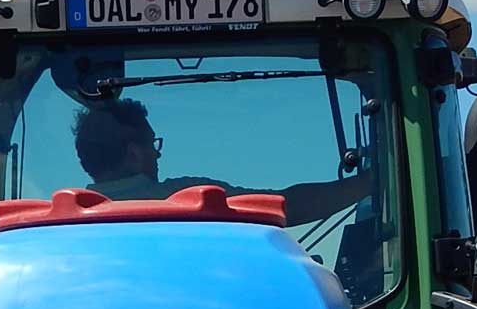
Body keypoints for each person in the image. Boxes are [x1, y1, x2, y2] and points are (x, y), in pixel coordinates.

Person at [71, 96, 370, 224]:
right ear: (135, 152)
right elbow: (287, 207)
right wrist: (372, 182)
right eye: (152, 145)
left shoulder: (64, 220)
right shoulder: (189, 200)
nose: (157, 153)